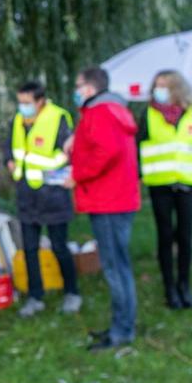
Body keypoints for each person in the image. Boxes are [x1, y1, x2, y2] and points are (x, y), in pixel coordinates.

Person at [64, 67, 140, 352]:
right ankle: (122, 325)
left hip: (109, 201)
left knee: (114, 267)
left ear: (89, 88)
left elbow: (106, 152)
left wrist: (78, 174)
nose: (75, 90)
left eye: (77, 85)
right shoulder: (112, 110)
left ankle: (122, 331)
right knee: (118, 265)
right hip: (114, 198)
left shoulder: (100, 112)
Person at [138, 69, 192, 309]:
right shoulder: (150, 114)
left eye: (164, 85)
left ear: (176, 88)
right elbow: (138, 144)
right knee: (165, 236)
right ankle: (169, 289)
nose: (158, 91)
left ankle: (184, 285)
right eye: (156, 86)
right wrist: (140, 173)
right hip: (159, 182)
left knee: (184, 236)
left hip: (188, 181)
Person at [4, 81, 82, 317]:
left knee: (59, 246)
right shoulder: (18, 120)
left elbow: (67, 152)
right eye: (20, 102)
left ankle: (72, 292)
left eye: (27, 103)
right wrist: (8, 160)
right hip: (27, 195)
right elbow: (10, 147)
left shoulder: (58, 118)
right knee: (29, 249)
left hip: (53, 194)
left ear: (40, 101)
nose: (22, 107)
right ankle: (35, 296)